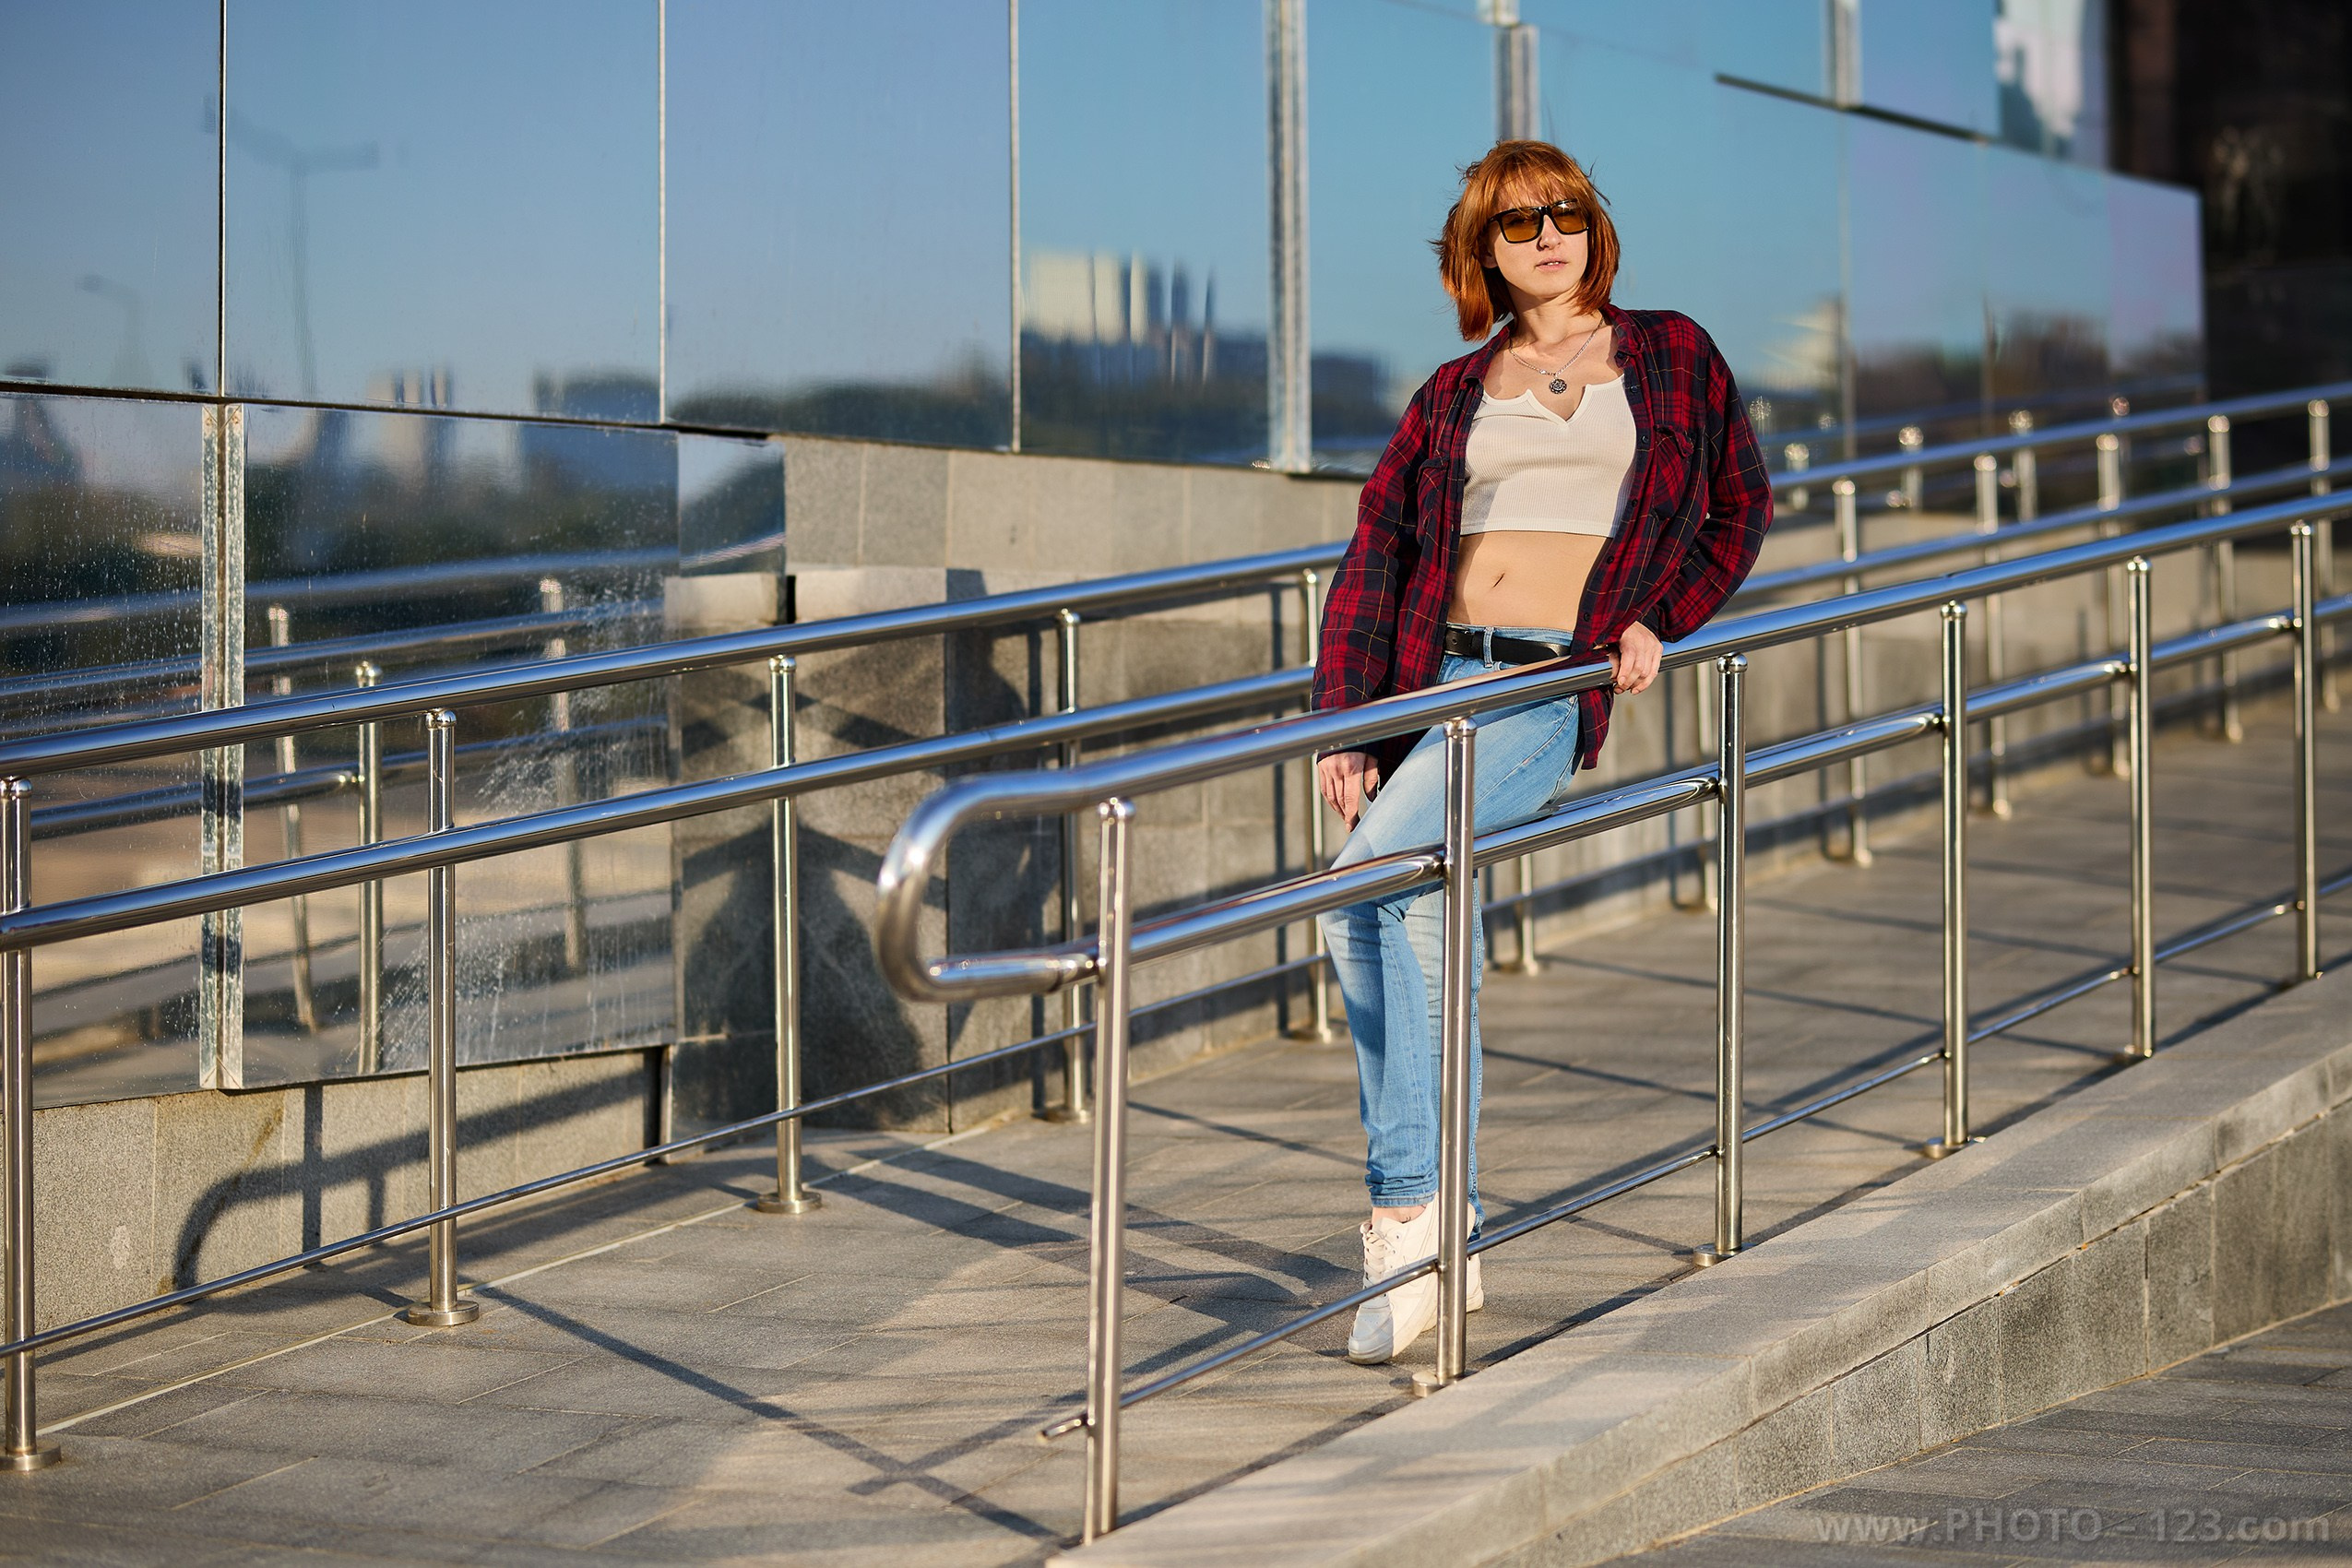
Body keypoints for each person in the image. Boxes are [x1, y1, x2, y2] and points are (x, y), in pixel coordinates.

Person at [1311, 139, 1773, 1364]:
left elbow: (1738, 508)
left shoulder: (1669, 353)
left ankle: (1400, 1219)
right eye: (1516, 225)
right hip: (1438, 675)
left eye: (1563, 213)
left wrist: (1657, 620)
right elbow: (1378, 554)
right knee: (1395, 920)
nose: (1546, 236)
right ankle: (1442, 1223)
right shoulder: (1451, 394)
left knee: (1376, 892)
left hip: (1546, 683)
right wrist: (1350, 720)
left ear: (1592, 228)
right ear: (1483, 254)